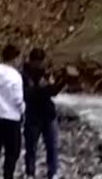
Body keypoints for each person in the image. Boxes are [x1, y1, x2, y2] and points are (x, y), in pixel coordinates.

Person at [0, 44, 25, 179]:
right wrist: (23, 110)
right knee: (11, 153)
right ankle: (8, 176)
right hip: (12, 118)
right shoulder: (16, 76)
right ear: (14, 58)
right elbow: (17, 99)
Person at [22, 48, 61, 179]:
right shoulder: (25, 75)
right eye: (37, 61)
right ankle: (30, 172)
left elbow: (53, 92)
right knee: (31, 147)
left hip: (48, 114)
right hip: (33, 114)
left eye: (41, 61)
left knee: (52, 146)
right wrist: (41, 88)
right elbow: (27, 94)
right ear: (31, 61)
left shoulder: (47, 73)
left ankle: (53, 172)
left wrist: (60, 83)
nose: (39, 64)